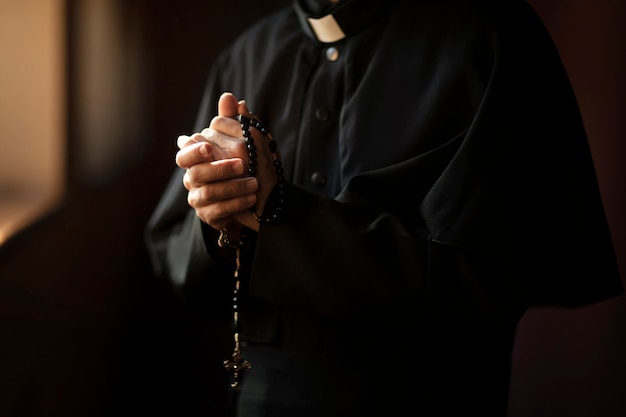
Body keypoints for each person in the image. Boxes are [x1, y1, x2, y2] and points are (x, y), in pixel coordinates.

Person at [145, 0, 623, 415]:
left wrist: (279, 210)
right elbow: (176, 256)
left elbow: (489, 276)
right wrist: (218, 208)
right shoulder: (249, 52)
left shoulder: (488, 35)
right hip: (263, 397)